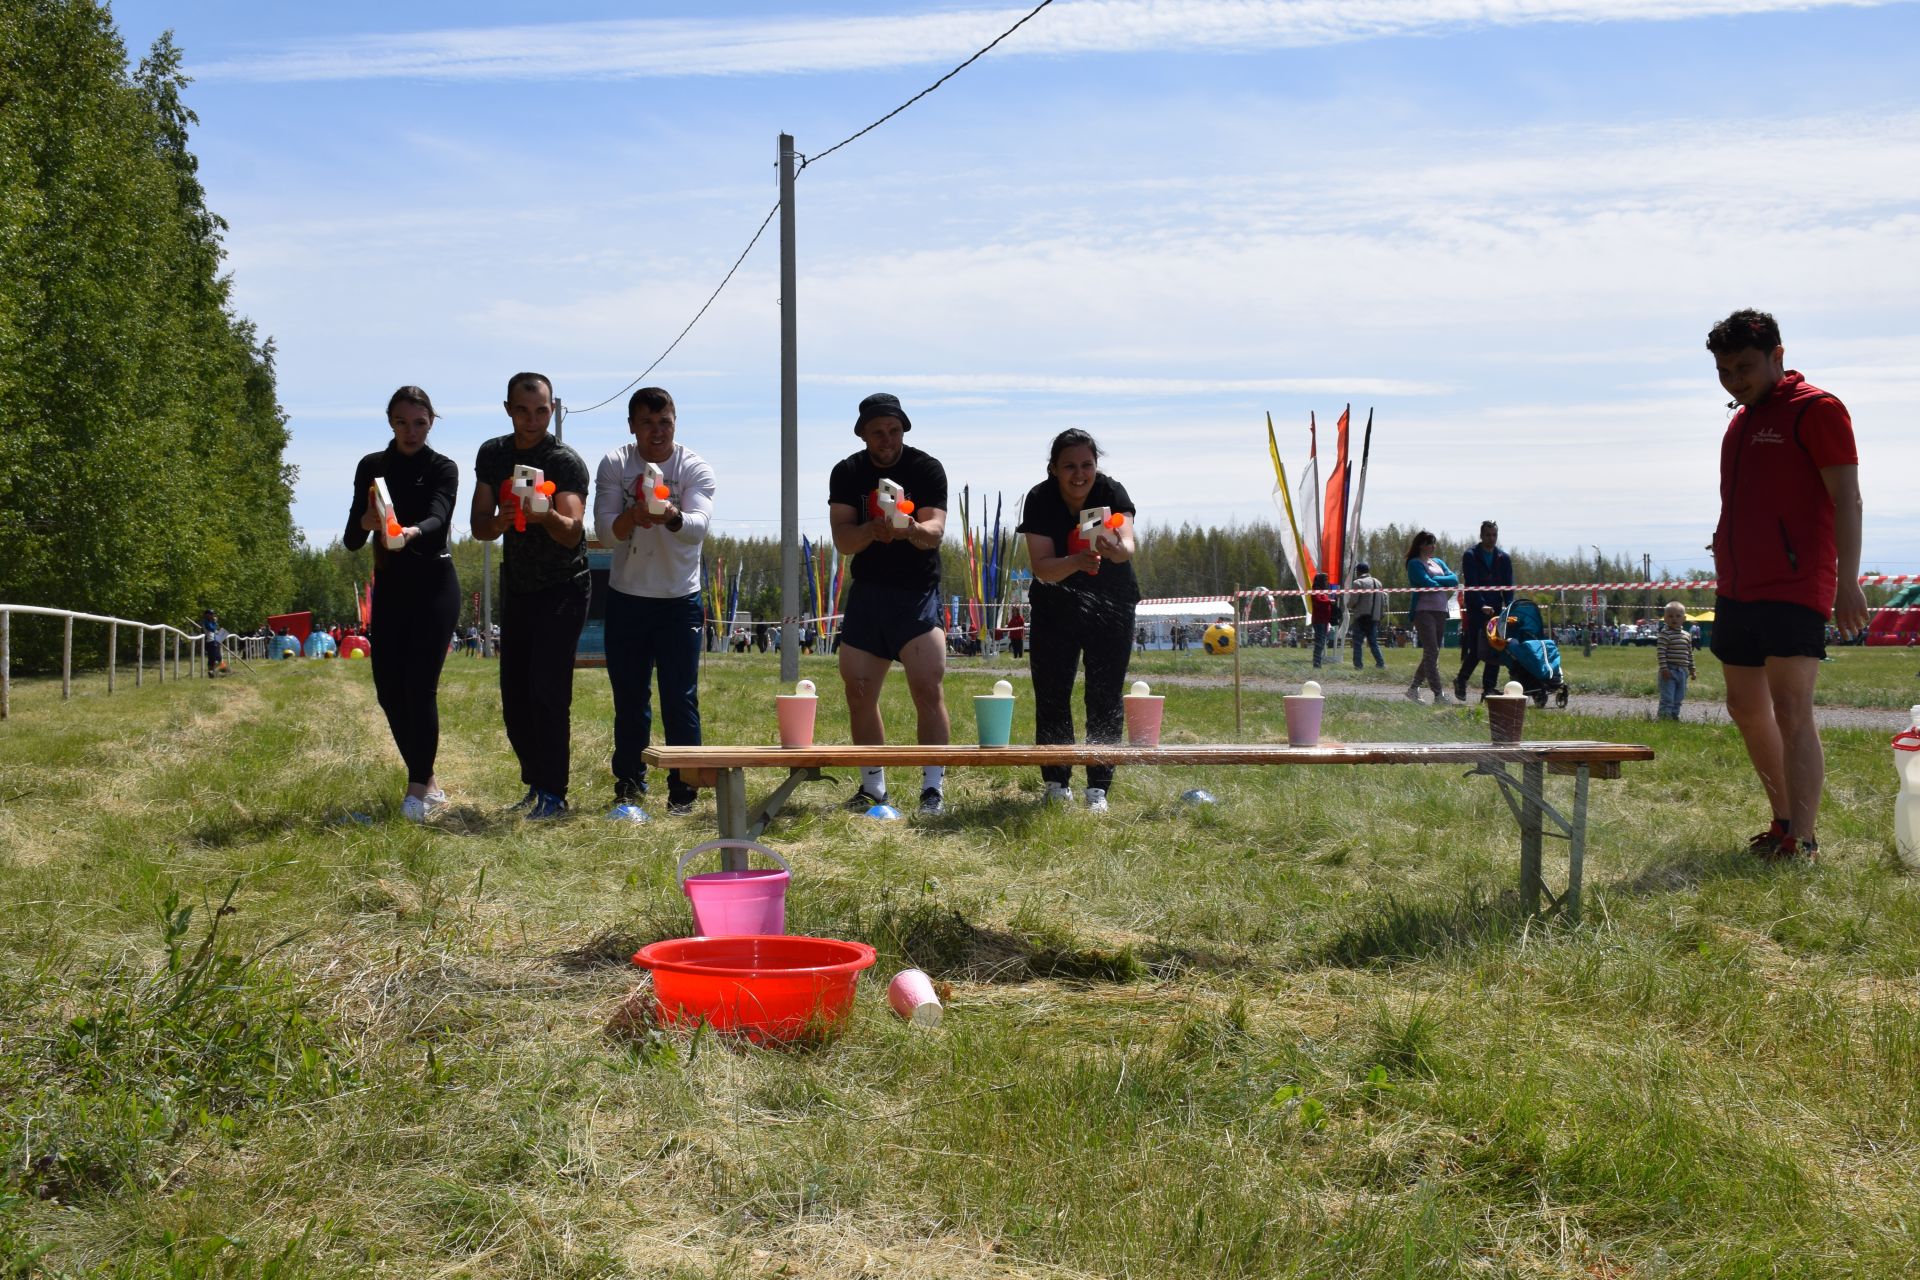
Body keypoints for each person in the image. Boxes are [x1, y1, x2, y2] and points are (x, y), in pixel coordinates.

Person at [1706, 309, 1865, 861]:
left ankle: (1805, 837)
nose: (1734, 380)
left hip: (1795, 585)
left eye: (1744, 367)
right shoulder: (1740, 420)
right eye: (1724, 370)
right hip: (1738, 586)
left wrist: (1849, 582)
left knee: (1792, 708)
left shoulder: (1817, 409)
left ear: (1777, 355)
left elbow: (1847, 498)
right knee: (1743, 706)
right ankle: (1782, 821)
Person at [471, 372, 591, 820]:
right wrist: (502, 521)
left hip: (564, 584)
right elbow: (479, 525)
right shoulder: (493, 453)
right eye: (523, 410)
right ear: (508, 409)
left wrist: (545, 516)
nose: (533, 419)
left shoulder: (565, 461)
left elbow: (574, 531)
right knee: (515, 696)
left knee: (548, 691)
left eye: (542, 411)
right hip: (518, 586)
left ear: (553, 409)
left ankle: (555, 795)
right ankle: (536, 783)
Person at [594, 386, 715, 822]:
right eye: (647, 422)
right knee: (629, 699)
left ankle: (684, 791)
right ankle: (628, 786)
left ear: (675, 423)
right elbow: (606, 533)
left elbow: (698, 527)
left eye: (665, 422)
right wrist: (632, 517)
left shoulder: (694, 467)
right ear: (632, 426)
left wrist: (671, 516)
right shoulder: (614, 463)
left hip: (678, 599)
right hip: (627, 597)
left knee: (680, 697)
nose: (657, 431)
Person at [828, 392, 951, 815]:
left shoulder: (926, 468)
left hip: (917, 592)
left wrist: (910, 527)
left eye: (894, 431)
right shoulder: (846, 472)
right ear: (863, 434)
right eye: (878, 432)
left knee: (927, 687)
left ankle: (932, 789)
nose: (887, 439)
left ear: (904, 430)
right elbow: (843, 540)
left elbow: (936, 532)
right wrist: (872, 531)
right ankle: (873, 789)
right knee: (858, 692)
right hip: (869, 593)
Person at [345, 386, 462, 822]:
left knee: (419, 686)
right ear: (390, 423)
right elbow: (351, 538)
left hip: (435, 584)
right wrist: (366, 520)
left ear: (431, 421)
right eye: (401, 423)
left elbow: (439, 516)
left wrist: (409, 531)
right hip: (391, 586)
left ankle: (416, 791)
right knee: (388, 691)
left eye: (419, 422)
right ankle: (428, 781)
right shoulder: (373, 467)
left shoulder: (442, 467)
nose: (411, 431)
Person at [1017, 428, 1139, 813]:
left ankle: (1098, 788)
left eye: (1087, 464)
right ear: (1053, 468)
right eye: (1069, 466)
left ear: (1096, 465)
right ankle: (1056, 781)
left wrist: (1115, 548)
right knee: (1052, 693)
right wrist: (1076, 562)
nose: (1079, 474)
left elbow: (1128, 548)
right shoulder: (1039, 498)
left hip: (1112, 604)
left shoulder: (1112, 492)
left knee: (1104, 694)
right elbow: (1041, 567)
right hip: (1056, 605)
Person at [1455, 520, 1513, 701]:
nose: (1491, 538)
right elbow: (1472, 584)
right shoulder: (1471, 555)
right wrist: (1481, 604)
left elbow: (1508, 586)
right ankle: (1461, 680)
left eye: (1494, 535)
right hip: (1476, 608)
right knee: (1477, 650)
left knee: (1496, 647)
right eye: (1488, 535)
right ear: (1481, 535)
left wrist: (1509, 606)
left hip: (1496, 609)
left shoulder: (1503, 558)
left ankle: (1489, 688)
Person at [1404, 531, 1458, 704]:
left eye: (1434, 543)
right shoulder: (1414, 563)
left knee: (1432, 654)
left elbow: (1454, 579)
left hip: (1441, 611)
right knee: (1432, 651)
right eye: (1430, 543)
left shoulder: (1438, 562)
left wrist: (1435, 578)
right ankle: (1438, 694)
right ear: (1421, 545)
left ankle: (1413, 689)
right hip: (1423, 611)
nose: (1434, 546)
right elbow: (1428, 584)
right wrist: (1441, 579)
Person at [1655, 601, 1696, 721]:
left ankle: (1674, 716)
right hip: (1669, 670)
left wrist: (1692, 669)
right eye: (1670, 616)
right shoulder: (1664, 634)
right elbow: (1661, 652)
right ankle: (1664, 717)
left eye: (1678, 616)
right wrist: (1664, 668)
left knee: (1679, 697)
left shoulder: (1686, 635)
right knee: (1668, 696)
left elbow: (1689, 654)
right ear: (1665, 619)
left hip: (1683, 672)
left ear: (1684, 618)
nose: (1674, 619)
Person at [1348, 561, 1387, 669]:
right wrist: (1380, 615)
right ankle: (1381, 663)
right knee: (1373, 642)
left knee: (1357, 643)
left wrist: (1348, 605)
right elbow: (1383, 601)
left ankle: (1358, 666)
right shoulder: (1378, 582)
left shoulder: (1358, 583)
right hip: (1374, 617)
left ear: (1358, 572)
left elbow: (1353, 601)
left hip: (1361, 617)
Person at [1309, 572, 1334, 668]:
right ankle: (1316, 663)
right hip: (1319, 621)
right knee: (1319, 643)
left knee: (1322, 642)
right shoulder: (1315, 591)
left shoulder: (1322, 591)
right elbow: (1318, 602)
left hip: (1324, 621)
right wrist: (1329, 601)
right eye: (1325, 580)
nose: (1327, 582)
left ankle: (1318, 662)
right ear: (1320, 581)